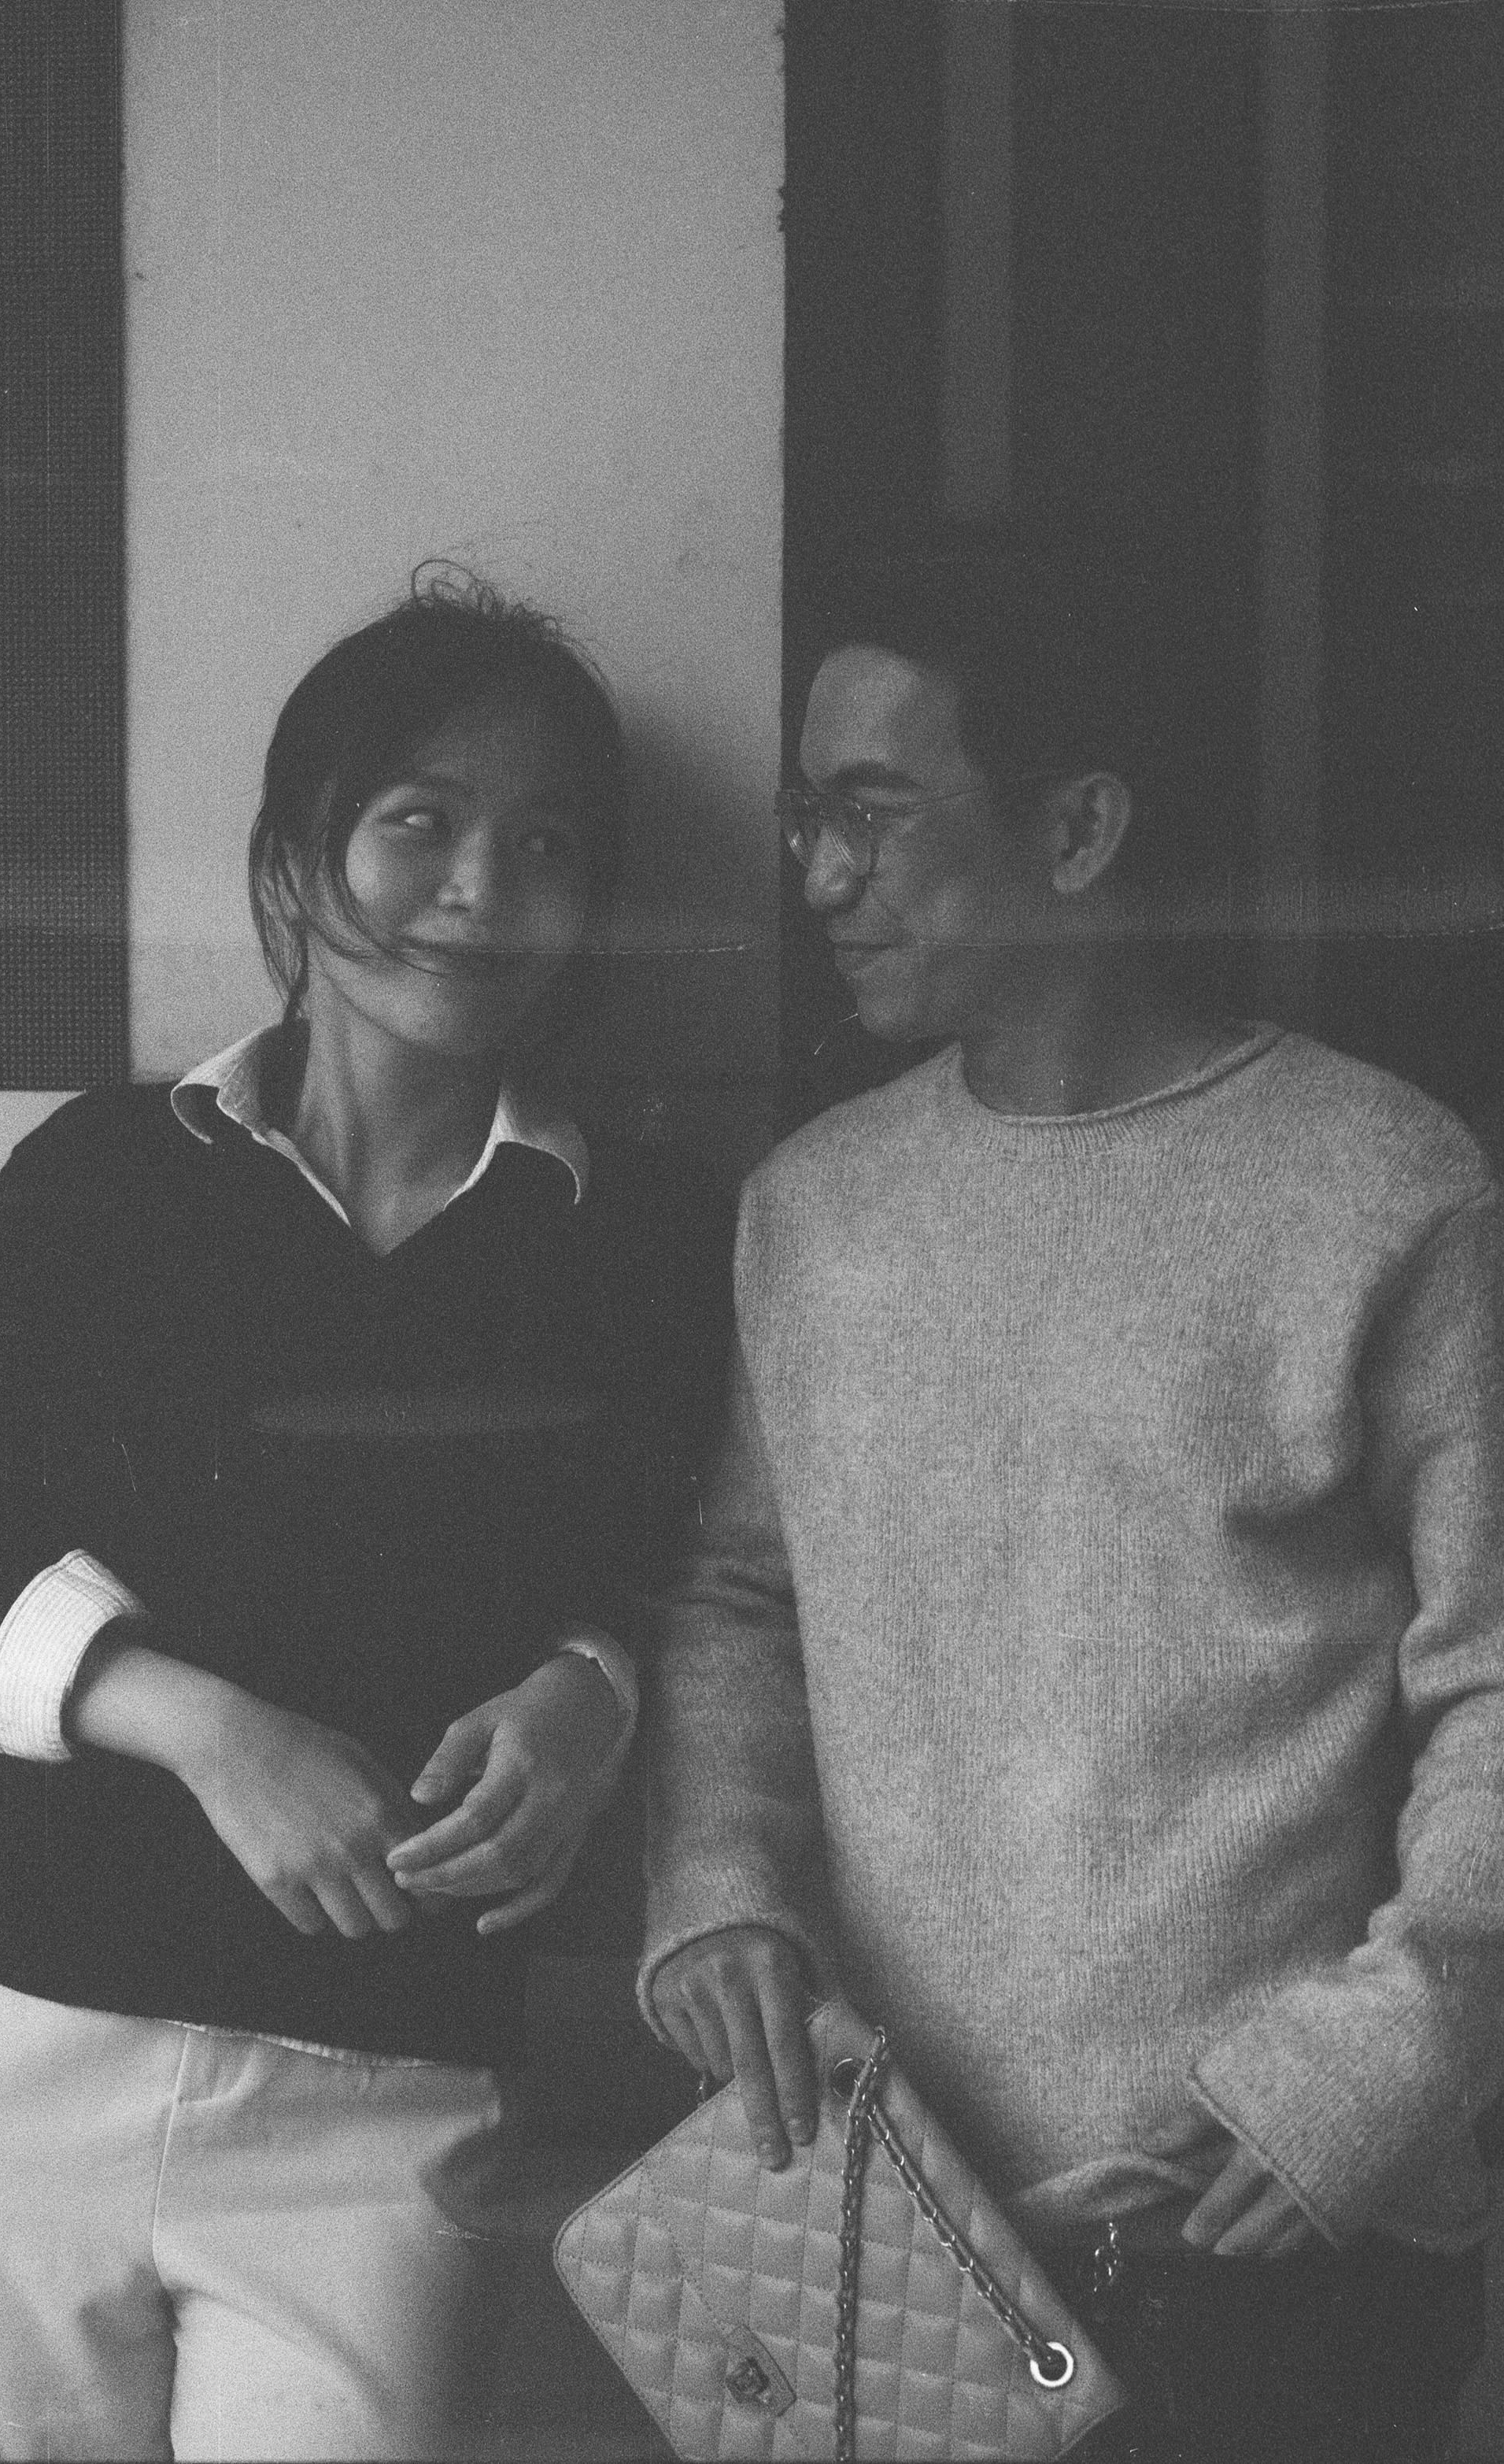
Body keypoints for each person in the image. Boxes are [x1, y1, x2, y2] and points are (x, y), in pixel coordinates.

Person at [641, 543, 1504, 2462]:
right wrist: (721, 1891)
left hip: (1276, 2231)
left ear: (1081, 826)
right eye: (807, 817)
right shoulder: (814, 1209)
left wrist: (1389, 2057)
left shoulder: (1389, 1186)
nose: (821, 875)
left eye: (874, 810)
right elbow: (737, 1605)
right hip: (886, 2218)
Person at [0, 572, 730, 2461]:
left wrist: (596, 1685)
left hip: (389, 2090)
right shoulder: (109, 1174)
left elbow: (715, 1567)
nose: (481, 887)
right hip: (8, 2028)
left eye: (546, 843)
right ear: (290, 869)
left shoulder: (652, 1244)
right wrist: (206, 1726)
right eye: (418, 820)